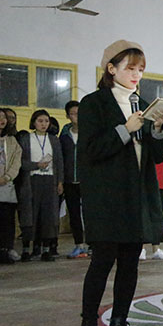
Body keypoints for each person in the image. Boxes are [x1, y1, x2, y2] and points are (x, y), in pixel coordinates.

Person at [78, 40, 163, 326]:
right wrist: (125, 129)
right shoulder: (94, 103)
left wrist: (158, 128)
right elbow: (91, 150)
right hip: (107, 198)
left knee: (130, 264)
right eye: (130, 68)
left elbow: (159, 155)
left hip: (136, 197)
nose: (136, 75)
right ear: (111, 68)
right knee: (102, 263)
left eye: (141, 69)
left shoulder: (143, 105)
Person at [18, 109, 63, 262]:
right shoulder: (26, 139)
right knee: (30, 215)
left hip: (50, 180)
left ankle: (46, 249)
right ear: (34, 122)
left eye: (46, 121)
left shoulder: (54, 140)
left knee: (48, 215)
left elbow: (59, 162)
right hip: (32, 181)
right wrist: (36, 165)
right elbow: (21, 162)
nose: (43, 124)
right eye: (40, 121)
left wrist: (60, 181)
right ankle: (26, 249)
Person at [59, 100, 88, 259]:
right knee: (74, 214)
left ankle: (92, 244)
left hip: (87, 180)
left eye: (78, 113)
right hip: (69, 181)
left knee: (89, 214)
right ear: (67, 116)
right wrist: (61, 180)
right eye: (72, 113)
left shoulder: (90, 132)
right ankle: (79, 245)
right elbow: (60, 158)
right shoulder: (64, 135)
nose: (76, 116)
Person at [141, 150, 163, 260]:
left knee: (157, 217)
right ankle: (141, 248)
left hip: (160, 184)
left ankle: (156, 248)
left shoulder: (162, 144)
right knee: (143, 216)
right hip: (143, 183)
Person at [0, 109, 22, 264]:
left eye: (3, 117)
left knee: (7, 220)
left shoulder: (12, 141)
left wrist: (7, 177)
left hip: (6, 184)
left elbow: (16, 162)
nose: (2, 120)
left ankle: (6, 250)